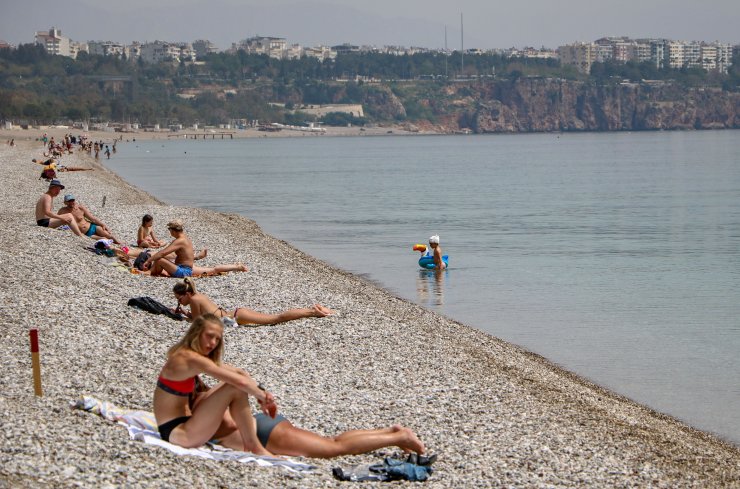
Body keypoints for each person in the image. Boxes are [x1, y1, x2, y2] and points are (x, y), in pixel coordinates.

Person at [155, 314, 427, 458]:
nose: (213, 344)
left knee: (332, 447)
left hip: (255, 431)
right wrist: (261, 395)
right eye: (209, 338)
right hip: (254, 425)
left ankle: (396, 437)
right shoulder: (187, 360)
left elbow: (236, 376)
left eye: (217, 340)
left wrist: (260, 395)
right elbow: (235, 377)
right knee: (330, 443)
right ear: (196, 334)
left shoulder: (196, 375)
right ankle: (391, 432)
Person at [172, 277, 333, 326]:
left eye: (180, 299)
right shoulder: (199, 295)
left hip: (235, 316)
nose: (180, 302)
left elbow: (197, 321)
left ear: (186, 294)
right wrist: (186, 313)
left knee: (276, 319)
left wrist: (182, 315)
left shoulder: (194, 299)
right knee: (275, 316)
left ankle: (313, 312)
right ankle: (315, 310)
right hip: (235, 313)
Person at [143, 220, 246, 278]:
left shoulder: (180, 240)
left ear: (173, 230)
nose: (169, 232)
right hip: (188, 268)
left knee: (159, 259)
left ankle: (149, 272)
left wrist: (148, 260)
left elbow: (162, 253)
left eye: (169, 230)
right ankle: (237, 267)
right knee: (213, 270)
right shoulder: (186, 239)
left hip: (183, 271)